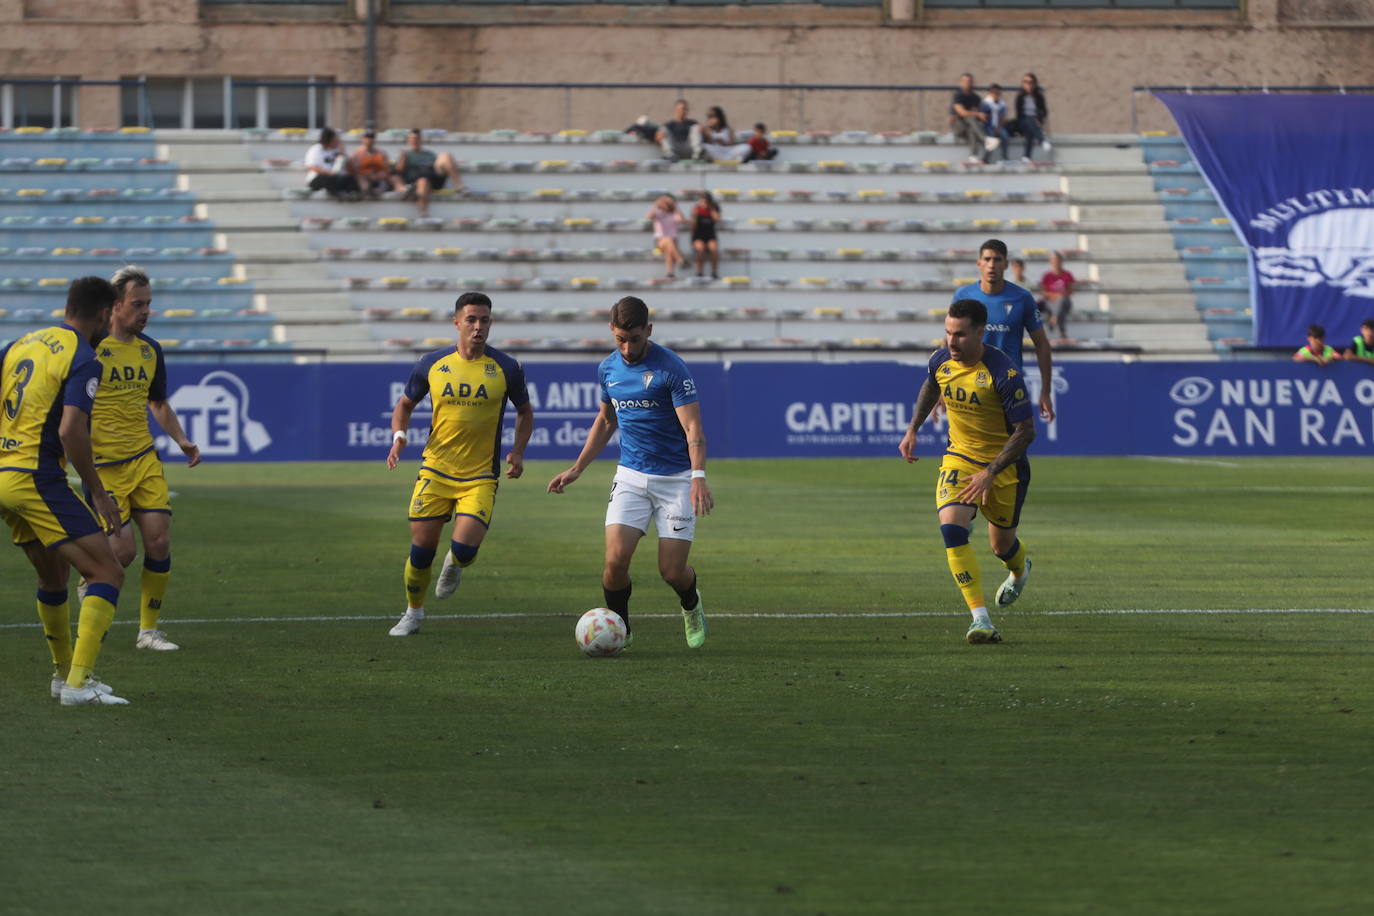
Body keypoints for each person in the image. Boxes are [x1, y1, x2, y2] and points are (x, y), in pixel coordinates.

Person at [547, 296, 712, 650]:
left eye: (634, 339)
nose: (627, 347)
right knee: (614, 562)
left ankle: (691, 602)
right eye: (620, 339)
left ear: (648, 330)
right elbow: (606, 420)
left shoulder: (671, 368)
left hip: (675, 481)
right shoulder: (608, 369)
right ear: (611, 331)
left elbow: (693, 428)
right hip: (631, 477)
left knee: (671, 571)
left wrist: (698, 477)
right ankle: (621, 629)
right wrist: (577, 468)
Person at [0, 277, 127, 704]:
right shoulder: (84, 356)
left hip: (4, 474)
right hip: (36, 477)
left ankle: (62, 676)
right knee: (107, 572)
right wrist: (99, 493)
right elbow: (72, 430)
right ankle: (78, 685)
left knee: (53, 575)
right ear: (106, 313)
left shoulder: (19, 345)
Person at [385, 292, 534, 636]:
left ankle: (455, 561)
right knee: (421, 552)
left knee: (465, 550)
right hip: (436, 470)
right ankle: (413, 614)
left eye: (484, 320)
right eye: (471, 320)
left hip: (480, 475)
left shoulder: (507, 367)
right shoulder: (432, 364)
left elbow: (525, 412)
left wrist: (518, 451)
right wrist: (399, 436)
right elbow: (404, 404)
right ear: (457, 323)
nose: (478, 326)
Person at [898, 299, 1036, 645]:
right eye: (948, 332)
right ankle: (980, 620)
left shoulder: (1003, 374)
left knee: (1001, 546)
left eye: (959, 334)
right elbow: (932, 385)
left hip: (1003, 466)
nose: (951, 341)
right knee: (951, 528)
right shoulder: (941, 359)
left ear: (979, 333)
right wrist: (913, 429)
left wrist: (991, 471)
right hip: (959, 457)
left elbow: (1026, 432)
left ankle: (1020, 571)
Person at [81, 266, 201, 652]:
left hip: (144, 458)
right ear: (115, 305)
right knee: (122, 553)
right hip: (102, 466)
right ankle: (89, 579)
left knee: (159, 541)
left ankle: (148, 631)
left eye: (148, 303)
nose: (146, 311)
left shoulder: (150, 350)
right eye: (138, 304)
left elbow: (158, 402)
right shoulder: (89, 348)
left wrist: (182, 440)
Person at [952, 239, 1056, 422]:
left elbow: (1042, 345)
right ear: (979, 263)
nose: (992, 265)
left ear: (1006, 264)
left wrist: (1045, 392)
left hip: (1008, 387)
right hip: (970, 386)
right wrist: (941, 388)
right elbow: (951, 341)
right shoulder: (963, 296)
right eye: (987, 259)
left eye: (997, 259)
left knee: (1016, 438)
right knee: (969, 441)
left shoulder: (1022, 298)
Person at [395, 128, 466, 218]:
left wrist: (452, 163)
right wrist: (402, 159)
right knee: (423, 182)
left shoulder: (429, 154)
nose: (415, 141)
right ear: (408, 141)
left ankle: (459, 187)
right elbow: (398, 172)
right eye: (412, 139)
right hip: (418, 180)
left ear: (421, 140)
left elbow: (439, 165)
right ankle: (423, 213)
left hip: (433, 176)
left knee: (446, 155)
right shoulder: (406, 155)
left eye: (417, 138)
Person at [303, 127, 360, 200]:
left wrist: (343, 152)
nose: (337, 141)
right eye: (334, 139)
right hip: (317, 179)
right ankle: (337, 195)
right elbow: (311, 167)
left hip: (335, 178)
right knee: (325, 178)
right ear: (328, 139)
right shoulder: (316, 149)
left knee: (350, 178)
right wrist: (329, 173)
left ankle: (352, 194)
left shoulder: (337, 150)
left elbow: (349, 167)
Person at [949, 73, 989, 165]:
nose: (967, 83)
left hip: (970, 127)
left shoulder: (976, 98)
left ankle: (973, 156)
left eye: (969, 81)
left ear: (972, 82)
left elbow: (980, 115)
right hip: (959, 127)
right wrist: (976, 114)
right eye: (965, 81)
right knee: (970, 117)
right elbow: (962, 112)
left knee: (972, 129)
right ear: (961, 82)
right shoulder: (958, 96)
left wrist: (980, 115)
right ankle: (984, 140)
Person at [350, 130, 403, 198]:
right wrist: (366, 174)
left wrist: (382, 174)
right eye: (367, 138)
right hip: (364, 177)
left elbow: (387, 168)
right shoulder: (357, 153)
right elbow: (353, 169)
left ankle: (403, 190)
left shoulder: (381, 153)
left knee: (395, 178)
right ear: (363, 139)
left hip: (380, 177)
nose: (369, 140)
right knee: (361, 179)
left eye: (371, 138)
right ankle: (366, 192)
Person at [1010, 73, 1050, 162]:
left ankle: (1026, 156)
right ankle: (1042, 141)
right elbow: (1019, 115)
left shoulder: (1039, 96)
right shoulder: (1020, 97)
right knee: (1029, 121)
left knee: (1030, 131)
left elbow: (1044, 111)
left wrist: (1039, 119)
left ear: (1034, 84)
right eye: (1025, 82)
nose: (1028, 85)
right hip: (1023, 122)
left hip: (1035, 122)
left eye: (1030, 82)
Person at [648, 194, 688, 279]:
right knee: (668, 240)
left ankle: (670, 273)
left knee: (669, 250)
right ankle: (680, 260)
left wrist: (675, 206)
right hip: (660, 241)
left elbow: (682, 220)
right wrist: (656, 204)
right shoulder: (658, 213)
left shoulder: (674, 214)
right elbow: (649, 217)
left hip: (673, 242)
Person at [1037, 251, 1075, 340]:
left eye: (1057, 260)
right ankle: (1062, 332)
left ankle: (1054, 318)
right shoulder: (1047, 276)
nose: (1055, 262)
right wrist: (1055, 295)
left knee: (1061, 302)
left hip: (1064, 301)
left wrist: (1060, 296)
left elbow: (1070, 291)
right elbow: (1043, 292)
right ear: (1051, 262)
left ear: (1061, 261)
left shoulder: (1067, 275)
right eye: (1053, 260)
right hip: (1050, 302)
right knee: (1057, 308)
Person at [691, 191, 721, 280]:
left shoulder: (714, 208)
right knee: (700, 249)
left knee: (714, 249)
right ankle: (699, 272)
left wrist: (711, 209)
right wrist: (695, 216)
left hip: (710, 234)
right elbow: (693, 227)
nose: (704, 203)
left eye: (706, 201)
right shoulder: (696, 209)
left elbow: (717, 219)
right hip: (698, 235)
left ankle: (714, 272)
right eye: (703, 201)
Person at [980, 83, 1012, 160]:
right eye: (994, 93)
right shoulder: (985, 103)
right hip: (988, 126)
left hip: (998, 126)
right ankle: (985, 158)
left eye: (998, 93)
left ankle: (1004, 156)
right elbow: (983, 117)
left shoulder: (1002, 104)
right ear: (990, 93)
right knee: (991, 138)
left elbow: (1002, 117)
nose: (996, 95)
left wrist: (999, 127)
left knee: (1005, 136)